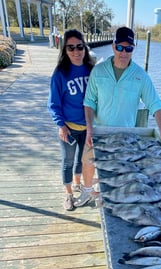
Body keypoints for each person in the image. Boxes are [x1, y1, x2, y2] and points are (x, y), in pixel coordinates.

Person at [74, 26, 161, 207]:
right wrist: (89, 128)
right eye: (120, 47)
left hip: (125, 135)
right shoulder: (99, 70)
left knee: (119, 173)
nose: (124, 52)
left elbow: (156, 105)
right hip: (99, 130)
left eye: (129, 48)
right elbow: (89, 102)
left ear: (133, 49)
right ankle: (87, 191)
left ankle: (109, 200)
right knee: (87, 160)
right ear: (113, 46)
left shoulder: (141, 76)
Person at [48, 29, 96, 211]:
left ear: (84, 47)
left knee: (82, 160)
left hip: (88, 127)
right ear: (65, 50)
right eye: (71, 48)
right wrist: (60, 125)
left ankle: (78, 183)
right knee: (67, 161)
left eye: (79, 46)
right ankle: (68, 194)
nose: (76, 51)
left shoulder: (91, 69)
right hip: (68, 127)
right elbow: (53, 103)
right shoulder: (60, 73)